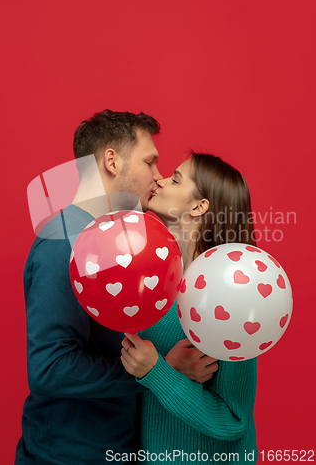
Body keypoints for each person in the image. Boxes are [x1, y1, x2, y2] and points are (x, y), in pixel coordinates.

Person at [15, 112, 217, 465]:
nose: (158, 177)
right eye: (150, 162)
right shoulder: (62, 244)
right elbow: (49, 368)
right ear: (112, 160)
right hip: (66, 456)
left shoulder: (119, 239)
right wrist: (153, 374)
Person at [121, 153, 258, 464]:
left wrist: (158, 372)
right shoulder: (154, 281)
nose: (159, 179)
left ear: (199, 207)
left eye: (176, 178)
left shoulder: (232, 295)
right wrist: (161, 370)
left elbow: (233, 420)